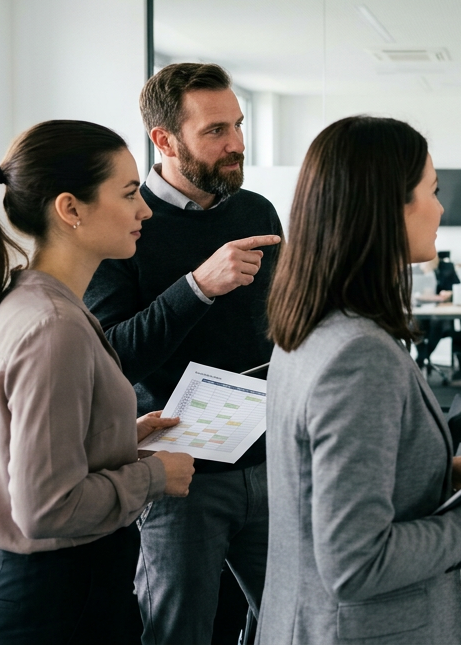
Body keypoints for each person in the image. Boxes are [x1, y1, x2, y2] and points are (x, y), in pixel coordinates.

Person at [259, 115, 461, 645]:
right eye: (432, 192)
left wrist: (445, 470)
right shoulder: (358, 355)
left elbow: (319, 484)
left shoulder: (309, 327)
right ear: (389, 207)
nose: (440, 209)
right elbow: (356, 563)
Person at [0, 121, 196, 645]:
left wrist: (120, 438)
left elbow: (37, 461)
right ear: (70, 209)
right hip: (59, 606)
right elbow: (48, 509)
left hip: (64, 596)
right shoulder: (53, 327)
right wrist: (154, 476)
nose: (145, 210)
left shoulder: (39, 303)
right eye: (129, 194)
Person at [85, 63, 283, 644]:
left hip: (267, 462)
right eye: (216, 131)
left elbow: (277, 325)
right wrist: (198, 286)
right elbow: (113, 358)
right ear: (165, 140)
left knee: (298, 623)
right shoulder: (122, 226)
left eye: (239, 126)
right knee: (180, 632)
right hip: (179, 475)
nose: (237, 144)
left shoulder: (256, 212)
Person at [414, 250, 461, 380]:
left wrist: (450, 293)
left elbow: (457, 287)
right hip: (422, 312)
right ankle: (424, 357)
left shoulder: (446, 267)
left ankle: (421, 358)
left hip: (441, 312)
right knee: (412, 324)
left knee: (438, 322)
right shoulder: (416, 270)